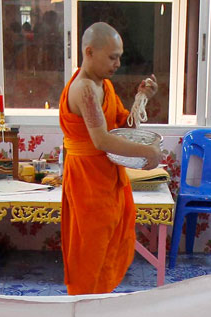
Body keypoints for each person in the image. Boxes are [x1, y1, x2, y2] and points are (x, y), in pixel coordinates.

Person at [59, 22, 161, 295]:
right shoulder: (84, 89)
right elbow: (102, 140)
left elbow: (122, 128)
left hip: (107, 178)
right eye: (112, 57)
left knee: (106, 248)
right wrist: (147, 151)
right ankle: (83, 310)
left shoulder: (103, 85)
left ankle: (98, 305)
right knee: (89, 252)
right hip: (87, 181)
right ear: (89, 52)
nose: (118, 64)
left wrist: (142, 98)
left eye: (120, 57)